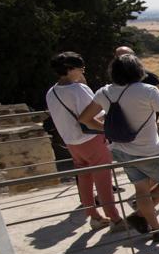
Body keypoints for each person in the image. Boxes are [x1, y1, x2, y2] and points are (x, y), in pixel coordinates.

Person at [79, 54, 159, 241]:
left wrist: (107, 130)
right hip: (149, 150)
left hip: (121, 150)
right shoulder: (148, 91)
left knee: (141, 190)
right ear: (138, 70)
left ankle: (155, 227)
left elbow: (85, 119)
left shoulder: (104, 92)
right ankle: (140, 216)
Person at [45, 52, 123, 230]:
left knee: (84, 178)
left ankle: (94, 216)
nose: (82, 70)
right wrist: (110, 130)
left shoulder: (52, 92)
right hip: (91, 139)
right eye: (81, 67)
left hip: (72, 142)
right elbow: (92, 116)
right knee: (103, 179)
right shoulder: (78, 89)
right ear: (70, 69)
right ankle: (115, 219)